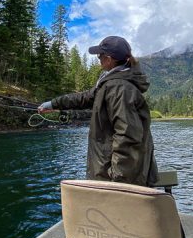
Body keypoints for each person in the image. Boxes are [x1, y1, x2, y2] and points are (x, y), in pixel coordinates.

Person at [38, 35, 158, 187]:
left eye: (99, 55)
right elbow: (85, 98)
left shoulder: (119, 88)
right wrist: (54, 104)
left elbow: (127, 136)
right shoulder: (111, 84)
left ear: (109, 59)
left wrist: (118, 181)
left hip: (118, 180)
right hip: (114, 175)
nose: (98, 58)